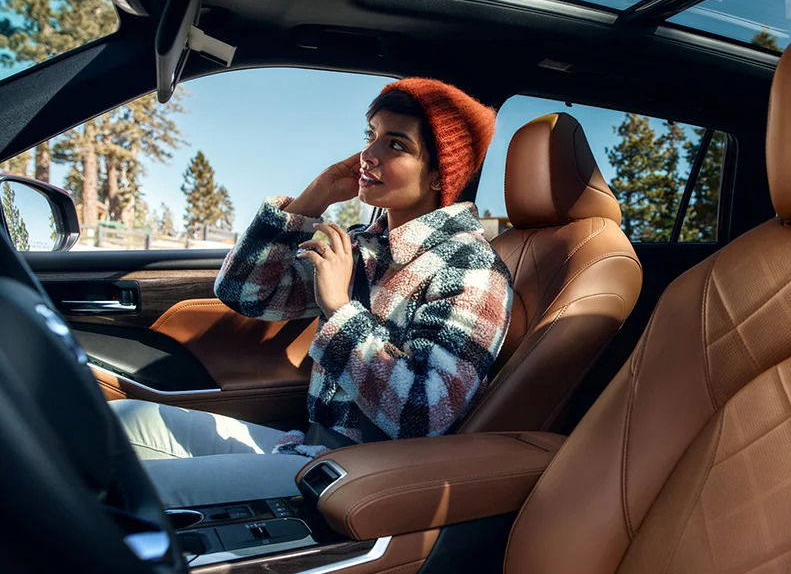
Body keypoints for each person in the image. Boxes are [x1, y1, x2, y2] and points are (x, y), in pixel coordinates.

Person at [110, 78, 514, 507]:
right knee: (115, 422)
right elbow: (243, 293)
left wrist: (338, 309)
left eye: (396, 145)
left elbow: (424, 415)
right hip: (309, 448)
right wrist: (315, 196)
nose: (368, 156)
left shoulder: (471, 268)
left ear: (439, 176)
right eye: (370, 135)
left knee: (126, 490)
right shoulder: (364, 248)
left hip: (360, 479)